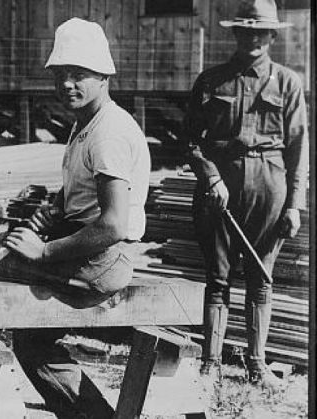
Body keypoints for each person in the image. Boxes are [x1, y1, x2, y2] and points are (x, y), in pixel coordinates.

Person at [0, 18, 150, 418]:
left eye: (79, 76)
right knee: (29, 338)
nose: (67, 85)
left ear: (104, 76)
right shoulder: (87, 124)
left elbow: (113, 224)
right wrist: (53, 211)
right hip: (88, 245)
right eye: (60, 76)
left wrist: (43, 252)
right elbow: (82, 190)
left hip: (101, 257)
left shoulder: (109, 133)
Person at [183, 0, 308, 388]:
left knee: (261, 277)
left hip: (270, 186)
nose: (253, 38)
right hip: (220, 187)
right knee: (218, 278)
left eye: (261, 32)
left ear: (272, 36)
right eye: (246, 31)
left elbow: (299, 147)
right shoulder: (211, 81)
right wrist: (211, 178)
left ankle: (257, 364)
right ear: (235, 34)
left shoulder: (288, 82)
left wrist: (295, 204)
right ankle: (210, 363)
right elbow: (190, 140)